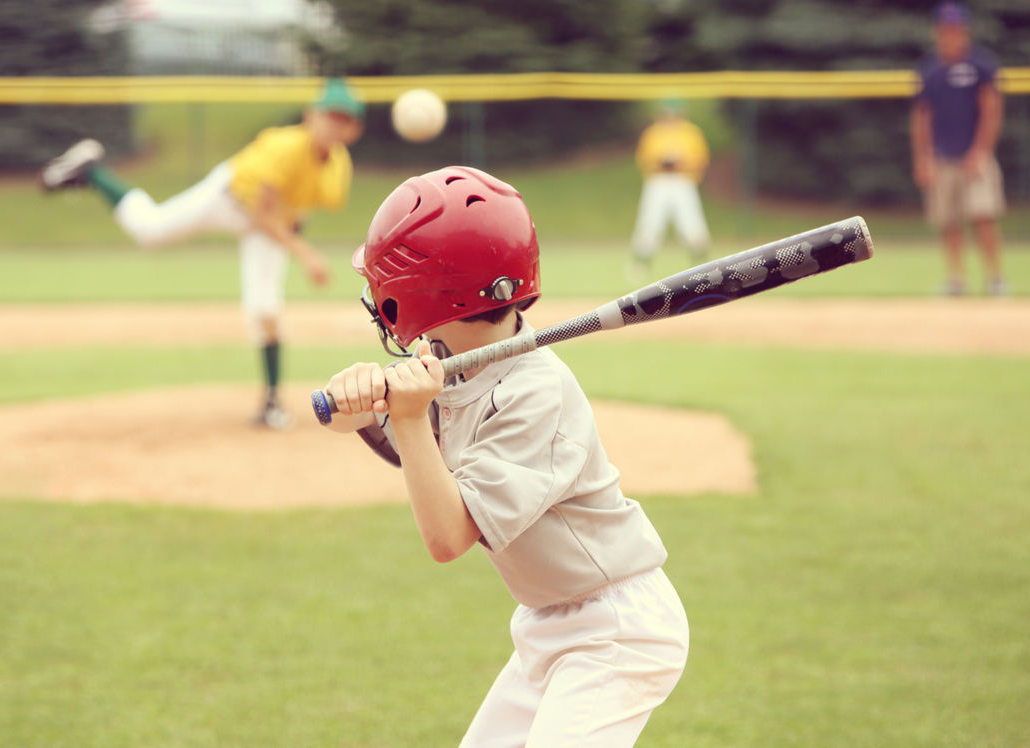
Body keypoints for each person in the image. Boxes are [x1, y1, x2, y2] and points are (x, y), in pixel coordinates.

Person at [323, 165, 689, 746]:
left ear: (421, 294)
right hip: (547, 622)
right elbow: (364, 429)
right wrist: (359, 399)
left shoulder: (535, 393)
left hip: (615, 630)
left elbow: (448, 537)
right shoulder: (447, 356)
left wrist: (412, 416)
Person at [39, 78, 366, 428]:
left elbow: (299, 207)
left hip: (270, 224)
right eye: (328, 116)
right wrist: (304, 253)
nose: (334, 124)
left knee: (265, 308)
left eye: (343, 119)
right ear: (310, 116)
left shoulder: (338, 168)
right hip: (228, 199)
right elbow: (261, 214)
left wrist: (294, 239)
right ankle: (92, 171)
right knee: (150, 229)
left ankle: (271, 404)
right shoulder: (283, 147)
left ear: (354, 129)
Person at [911, 2, 1006, 296]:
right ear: (937, 32)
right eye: (945, 30)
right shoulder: (930, 69)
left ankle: (995, 279)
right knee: (948, 221)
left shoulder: (981, 65)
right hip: (942, 158)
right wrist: (923, 158)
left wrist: (981, 151)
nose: (950, 35)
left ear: (965, 32)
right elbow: (921, 117)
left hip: (974, 157)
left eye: (956, 30)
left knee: (983, 216)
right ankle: (956, 280)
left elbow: (991, 110)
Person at [629, 99, 712, 278]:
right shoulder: (653, 133)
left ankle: (702, 266)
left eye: (674, 113)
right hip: (658, 181)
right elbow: (644, 158)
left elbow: (701, 158)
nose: (670, 117)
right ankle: (641, 265)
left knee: (691, 223)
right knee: (650, 223)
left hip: (683, 181)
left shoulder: (691, 132)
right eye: (667, 113)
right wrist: (661, 160)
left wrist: (682, 161)